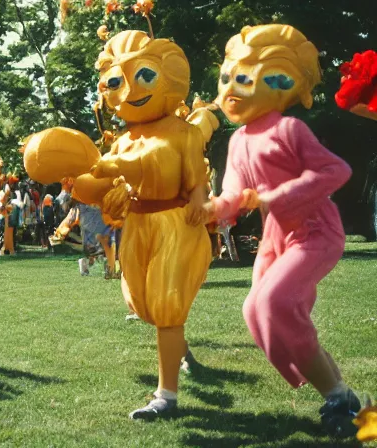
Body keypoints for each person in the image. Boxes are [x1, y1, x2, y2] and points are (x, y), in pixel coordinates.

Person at [205, 24, 361, 437]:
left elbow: (336, 170)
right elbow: (233, 192)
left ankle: (335, 397)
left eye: (244, 80)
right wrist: (210, 209)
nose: (230, 90)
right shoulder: (237, 140)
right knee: (255, 311)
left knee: (274, 303)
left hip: (315, 230)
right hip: (278, 235)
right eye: (226, 79)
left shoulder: (289, 130)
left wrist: (275, 195)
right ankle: (341, 394)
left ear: (278, 83)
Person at [70, 31, 211, 420]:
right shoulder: (123, 139)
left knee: (166, 307)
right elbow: (96, 185)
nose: (129, 90)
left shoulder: (184, 131)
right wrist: (72, 176)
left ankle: (166, 396)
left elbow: (194, 177)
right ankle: (179, 346)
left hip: (173, 223)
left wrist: (201, 200)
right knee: (145, 306)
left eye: (145, 76)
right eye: (116, 82)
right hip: (138, 226)